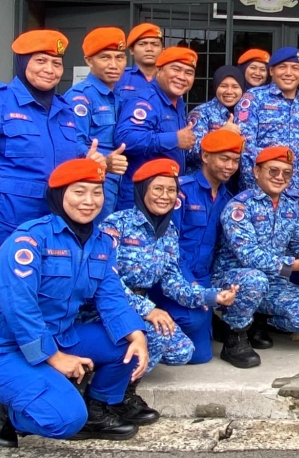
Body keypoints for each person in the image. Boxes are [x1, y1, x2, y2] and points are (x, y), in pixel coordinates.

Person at [0, 159, 149, 447]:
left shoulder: (102, 243)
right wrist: (54, 358)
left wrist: (138, 335)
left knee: (130, 346)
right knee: (65, 420)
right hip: (4, 348)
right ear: (58, 194)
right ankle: (2, 410)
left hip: (61, 335)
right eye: (79, 192)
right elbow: (19, 307)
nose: (89, 201)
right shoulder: (29, 240)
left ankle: (96, 411)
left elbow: (111, 296)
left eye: (97, 192)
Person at [0, 30, 124, 313]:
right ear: (22, 63)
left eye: (56, 63)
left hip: (53, 226)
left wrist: (94, 163)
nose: (49, 70)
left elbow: (67, 167)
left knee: (44, 301)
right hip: (4, 226)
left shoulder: (65, 111)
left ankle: (38, 354)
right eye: (41, 61)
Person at [96, 158, 238, 418]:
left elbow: (173, 281)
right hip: (108, 306)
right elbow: (104, 282)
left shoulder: (168, 230)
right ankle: (111, 397)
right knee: (158, 334)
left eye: (171, 190)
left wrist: (213, 296)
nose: (165, 196)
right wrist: (148, 310)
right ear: (142, 191)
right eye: (157, 189)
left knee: (182, 351)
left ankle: (119, 379)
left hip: (139, 308)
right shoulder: (116, 225)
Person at [212, 146, 299, 368]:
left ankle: (255, 319)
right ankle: (234, 336)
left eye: (287, 173)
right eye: (273, 170)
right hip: (234, 280)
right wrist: (295, 265)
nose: (280, 177)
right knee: (255, 279)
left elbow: (298, 246)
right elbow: (248, 255)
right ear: (256, 171)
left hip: (272, 281)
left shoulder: (290, 207)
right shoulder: (240, 206)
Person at [150, 130, 243, 364]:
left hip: (203, 277)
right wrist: (191, 284)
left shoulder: (227, 198)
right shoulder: (181, 190)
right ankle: (148, 322)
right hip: (172, 277)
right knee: (193, 320)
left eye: (235, 160)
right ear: (205, 156)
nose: (230, 166)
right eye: (224, 158)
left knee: (200, 356)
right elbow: (168, 247)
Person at [115, 47, 198, 210]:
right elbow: (126, 137)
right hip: (139, 197)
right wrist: (174, 139)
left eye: (189, 72)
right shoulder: (146, 101)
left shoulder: (177, 104)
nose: (182, 77)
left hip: (164, 196)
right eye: (176, 69)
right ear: (159, 70)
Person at [65, 27, 131, 226]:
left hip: (118, 184)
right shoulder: (80, 96)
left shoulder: (119, 96)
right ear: (88, 60)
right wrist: (100, 162)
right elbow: (73, 143)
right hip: (91, 187)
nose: (114, 64)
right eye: (105, 57)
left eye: (120, 57)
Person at [236, 47, 299, 202]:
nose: (288, 73)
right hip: (257, 195)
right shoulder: (254, 99)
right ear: (272, 71)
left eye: (295, 68)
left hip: (294, 199)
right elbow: (244, 147)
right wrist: (256, 190)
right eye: (282, 67)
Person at [185, 65, 244, 176]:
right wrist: (221, 134)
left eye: (235, 87)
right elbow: (190, 152)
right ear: (216, 87)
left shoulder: (246, 114)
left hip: (232, 184)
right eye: (223, 86)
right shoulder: (201, 113)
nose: (229, 91)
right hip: (202, 181)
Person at [116, 23, 163, 105]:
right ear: (131, 50)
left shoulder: (169, 80)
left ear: (162, 49)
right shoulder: (118, 77)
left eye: (155, 44)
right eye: (142, 44)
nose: (149, 49)